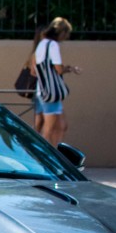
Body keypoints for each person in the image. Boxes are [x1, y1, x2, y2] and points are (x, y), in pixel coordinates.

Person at [34, 17, 80, 147]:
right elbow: (58, 69)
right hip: (50, 92)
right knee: (48, 129)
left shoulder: (42, 44)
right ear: (62, 32)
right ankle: (44, 158)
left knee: (61, 126)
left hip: (43, 90)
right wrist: (70, 69)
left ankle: (56, 154)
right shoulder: (52, 45)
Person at [24, 25, 46, 133]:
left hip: (44, 90)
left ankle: (36, 139)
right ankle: (33, 140)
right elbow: (33, 71)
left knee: (42, 119)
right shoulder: (38, 53)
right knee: (40, 119)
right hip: (40, 90)